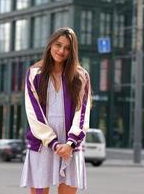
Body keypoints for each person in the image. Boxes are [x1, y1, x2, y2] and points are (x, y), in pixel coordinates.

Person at [20, 27, 92, 194]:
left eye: (67, 48)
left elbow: (82, 113)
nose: (61, 51)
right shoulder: (34, 73)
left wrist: (70, 143)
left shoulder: (81, 76)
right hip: (42, 144)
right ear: (50, 44)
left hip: (70, 147)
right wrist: (53, 143)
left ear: (72, 51)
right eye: (58, 45)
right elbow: (33, 113)